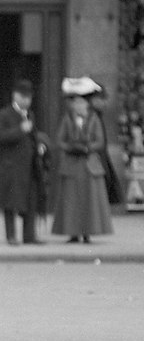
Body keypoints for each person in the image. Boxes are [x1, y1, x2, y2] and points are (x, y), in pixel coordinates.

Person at [0, 78, 49, 246]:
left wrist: (40, 146)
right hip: (10, 166)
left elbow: (33, 136)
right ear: (15, 96)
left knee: (30, 200)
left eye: (29, 98)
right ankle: (11, 236)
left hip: (28, 166)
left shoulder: (30, 115)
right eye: (23, 97)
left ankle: (29, 235)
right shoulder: (4, 114)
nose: (26, 101)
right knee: (10, 202)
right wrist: (20, 130)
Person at [52, 80, 113, 243]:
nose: (78, 106)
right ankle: (72, 233)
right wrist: (70, 147)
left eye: (81, 103)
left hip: (89, 165)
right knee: (71, 201)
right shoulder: (67, 120)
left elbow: (100, 141)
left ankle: (87, 233)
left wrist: (87, 148)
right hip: (71, 165)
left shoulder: (94, 119)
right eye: (76, 103)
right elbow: (60, 140)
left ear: (86, 105)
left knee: (89, 200)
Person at [88, 85, 123, 206]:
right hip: (95, 159)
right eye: (101, 99)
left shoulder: (97, 116)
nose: (105, 103)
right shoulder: (92, 116)